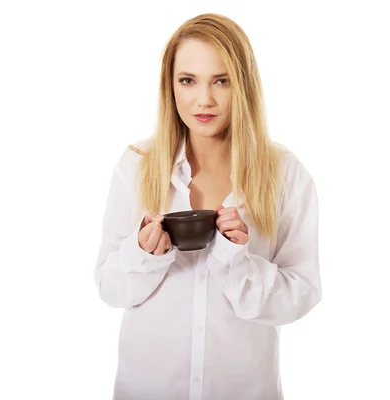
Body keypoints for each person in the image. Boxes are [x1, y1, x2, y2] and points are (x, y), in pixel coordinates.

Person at [94, 13, 322, 400]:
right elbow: (109, 288)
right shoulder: (137, 165)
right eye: (188, 80)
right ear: (171, 86)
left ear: (244, 85)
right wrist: (144, 253)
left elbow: (301, 293)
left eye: (222, 80)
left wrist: (238, 262)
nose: (204, 100)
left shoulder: (284, 173)